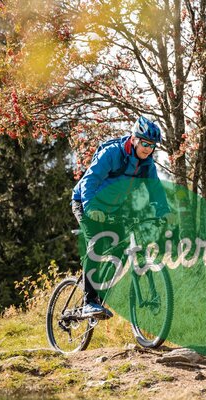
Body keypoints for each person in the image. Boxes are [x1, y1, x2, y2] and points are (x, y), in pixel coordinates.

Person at [72, 116, 178, 318]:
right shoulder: (112, 154)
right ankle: (88, 301)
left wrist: (164, 212)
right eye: (145, 143)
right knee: (97, 245)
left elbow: (155, 190)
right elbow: (89, 180)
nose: (148, 149)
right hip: (85, 201)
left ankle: (99, 297)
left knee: (120, 249)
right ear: (134, 138)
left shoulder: (147, 165)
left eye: (152, 146)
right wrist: (91, 207)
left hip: (113, 209)